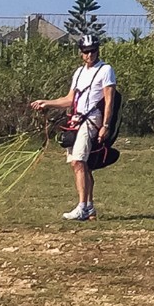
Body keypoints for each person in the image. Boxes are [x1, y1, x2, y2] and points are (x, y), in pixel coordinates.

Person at [28, 34, 116, 221]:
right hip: (76, 119)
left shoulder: (106, 70)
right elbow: (69, 99)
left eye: (93, 51)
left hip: (92, 119)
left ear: (98, 50)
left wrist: (106, 125)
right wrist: (47, 103)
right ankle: (89, 207)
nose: (90, 55)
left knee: (79, 162)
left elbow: (109, 100)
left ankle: (82, 207)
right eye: (86, 51)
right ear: (80, 53)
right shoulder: (79, 73)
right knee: (81, 164)